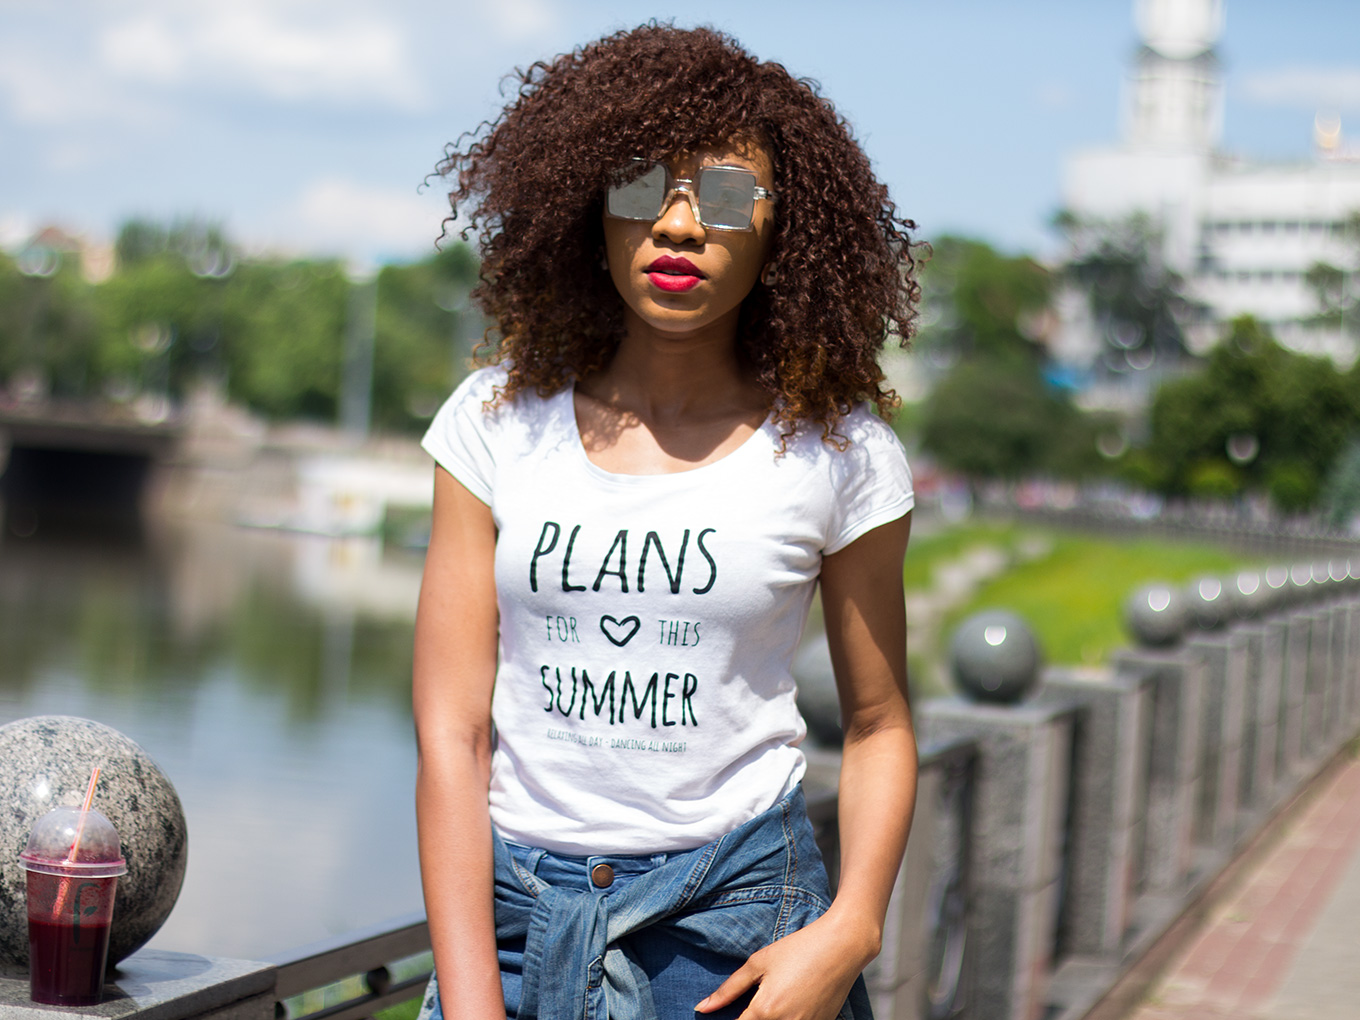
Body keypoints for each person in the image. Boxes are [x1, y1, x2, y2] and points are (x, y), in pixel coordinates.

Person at [413, 23, 920, 1020]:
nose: (680, 224)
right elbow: (450, 731)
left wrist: (851, 930)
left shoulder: (840, 454)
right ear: (587, 212)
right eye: (642, 189)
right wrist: (472, 1001)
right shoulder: (493, 425)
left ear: (782, 229)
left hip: (735, 943)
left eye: (727, 197)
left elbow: (878, 725)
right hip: (511, 934)